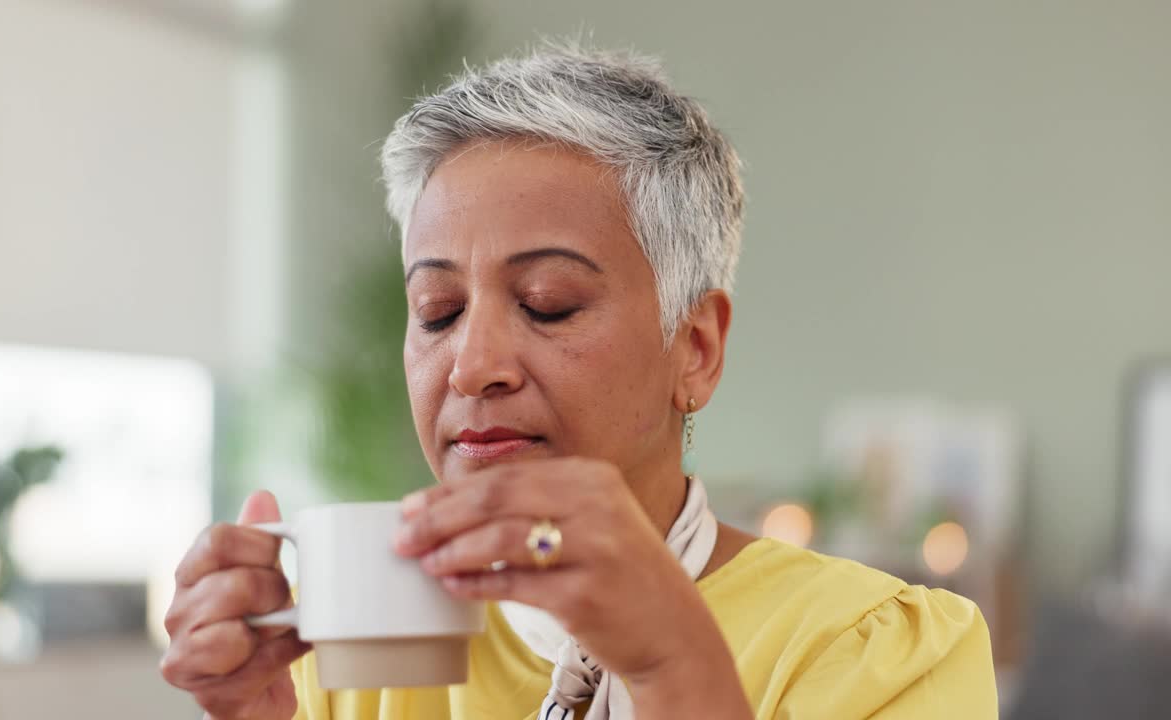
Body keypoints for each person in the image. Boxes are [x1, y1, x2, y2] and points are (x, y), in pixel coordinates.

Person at [160, 42, 998, 719]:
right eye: (439, 309)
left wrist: (674, 665)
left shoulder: (877, 653)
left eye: (548, 304)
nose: (473, 367)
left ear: (695, 349)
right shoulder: (358, 651)